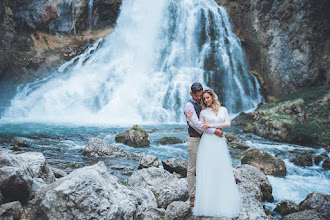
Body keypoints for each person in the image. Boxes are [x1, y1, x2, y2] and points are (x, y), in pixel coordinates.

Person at [187, 88, 241, 218]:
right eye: (204, 99)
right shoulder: (204, 112)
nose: (206, 100)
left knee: (221, 168)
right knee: (208, 169)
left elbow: (228, 123)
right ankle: (207, 203)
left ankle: (222, 200)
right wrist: (190, 120)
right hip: (207, 142)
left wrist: (211, 126)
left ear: (212, 97)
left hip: (219, 142)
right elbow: (200, 127)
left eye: (207, 97)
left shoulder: (224, 110)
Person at [184, 82, 224, 207]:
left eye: (200, 95)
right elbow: (197, 125)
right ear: (191, 94)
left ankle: (207, 194)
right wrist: (214, 131)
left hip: (206, 140)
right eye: (196, 95)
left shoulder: (203, 103)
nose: (199, 98)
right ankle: (192, 196)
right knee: (192, 169)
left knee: (207, 167)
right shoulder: (188, 106)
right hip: (195, 139)